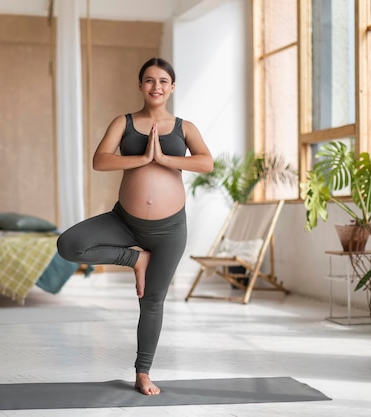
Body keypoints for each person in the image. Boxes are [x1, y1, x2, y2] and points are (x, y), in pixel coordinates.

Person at [57, 57, 213, 396]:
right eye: (148, 80)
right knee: (69, 245)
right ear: (140, 85)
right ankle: (136, 259)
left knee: (152, 302)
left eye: (162, 81)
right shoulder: (123, 122)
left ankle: (143, 373)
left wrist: (164, 159)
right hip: (124, 222)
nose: (155, 86)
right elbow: (101, 160)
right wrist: (142, 158)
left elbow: (206, 161)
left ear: (172, 87)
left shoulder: (184, 127)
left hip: (170, 229)